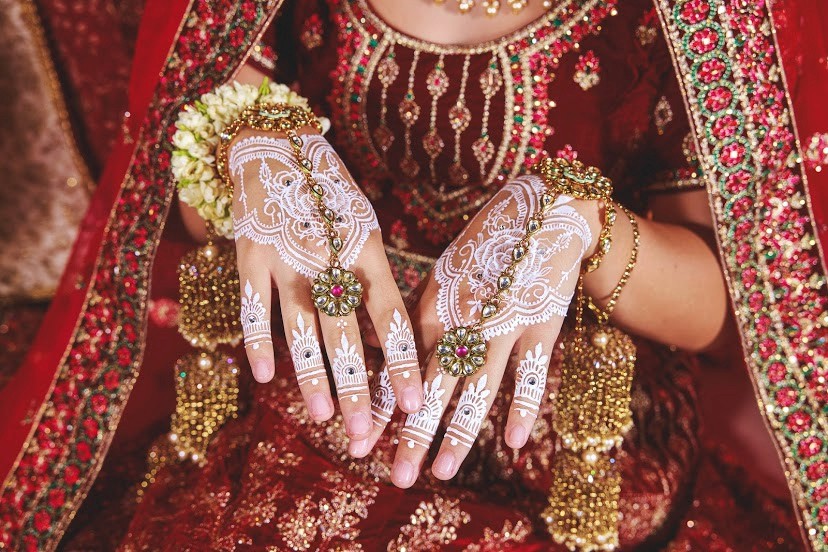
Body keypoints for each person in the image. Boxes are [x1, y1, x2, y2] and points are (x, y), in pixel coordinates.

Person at [1, 0, 826, 550]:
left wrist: (587, 232)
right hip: (314, 373)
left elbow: (732, 304)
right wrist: (252, 161)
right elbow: (190, 178)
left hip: (573, 429)